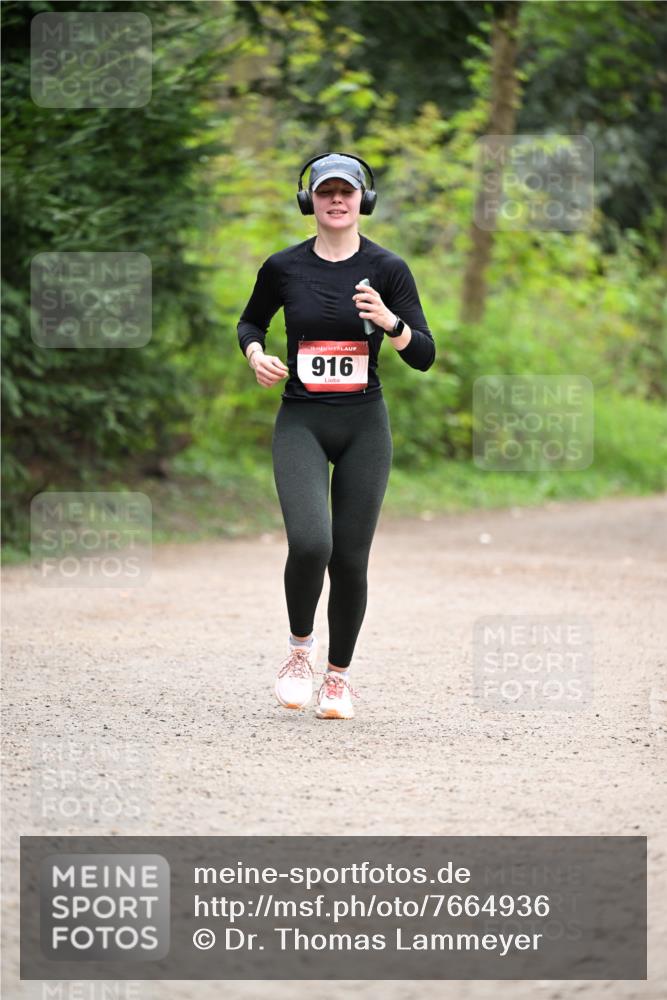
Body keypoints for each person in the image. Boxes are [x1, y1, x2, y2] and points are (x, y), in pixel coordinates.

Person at [237, 152, 435, 719]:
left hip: (363, 426)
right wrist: (256, 353)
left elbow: (423, 353)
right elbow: (251, 321)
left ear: (363, 201)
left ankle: (338, 679)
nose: (337, 200)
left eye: (347, 191)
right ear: (311, 202)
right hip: (301, 420)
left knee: (349, 558)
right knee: (311, 543)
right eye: (325, 192)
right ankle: (299, 652)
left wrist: (391, 323)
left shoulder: (389, 269)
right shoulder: (283, 266)